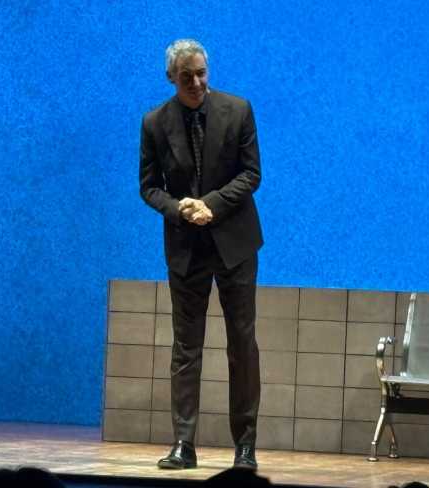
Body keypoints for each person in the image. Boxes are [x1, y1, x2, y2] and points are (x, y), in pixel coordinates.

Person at [139, 39, 263, 470]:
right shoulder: (154, 122)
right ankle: (183, 444)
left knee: (241, 344)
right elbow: (148, 187)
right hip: (186, 246)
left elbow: (251, 174)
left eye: (201, 73)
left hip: (234, 243)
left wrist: (210, 204)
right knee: (186, 348)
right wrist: (179, 209)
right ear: (171, 78)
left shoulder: (238, 110)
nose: (196, 82)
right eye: (186, 76)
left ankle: (245, 446)